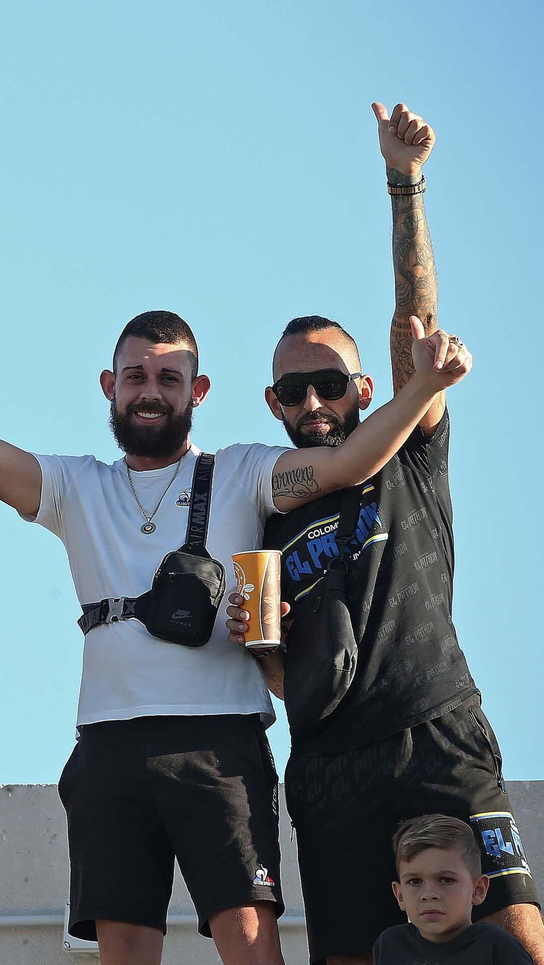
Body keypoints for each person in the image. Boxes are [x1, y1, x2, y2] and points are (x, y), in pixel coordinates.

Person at [0, 293, 470, 965]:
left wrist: (424, 388)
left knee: (251, 944)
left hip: (220, 742)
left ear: (197, 392)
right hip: (108, 744)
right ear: (109, 386)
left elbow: (350, 463)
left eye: (169, 378)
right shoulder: (76, 486)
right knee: (123, 949)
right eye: (136, 377)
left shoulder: (244, 471)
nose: (150, 392)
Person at [226, 104, 541, 965]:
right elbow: (269, 662)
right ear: (272, 403)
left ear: (365, 389)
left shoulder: (407, 448)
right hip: (331, 762)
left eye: (331, 383)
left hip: (437, 730)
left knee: (513, 943)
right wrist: (265, 647)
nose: (313, 402)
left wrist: (405, 183)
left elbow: (416, 330)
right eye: (294, 391)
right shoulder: (259, 506)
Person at [372, 814, 534, 964]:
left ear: (478, 889)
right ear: (400, 895)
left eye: (446, 880)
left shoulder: (497, 948)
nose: (429, 895)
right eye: (415, 881)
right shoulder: (390, 945)